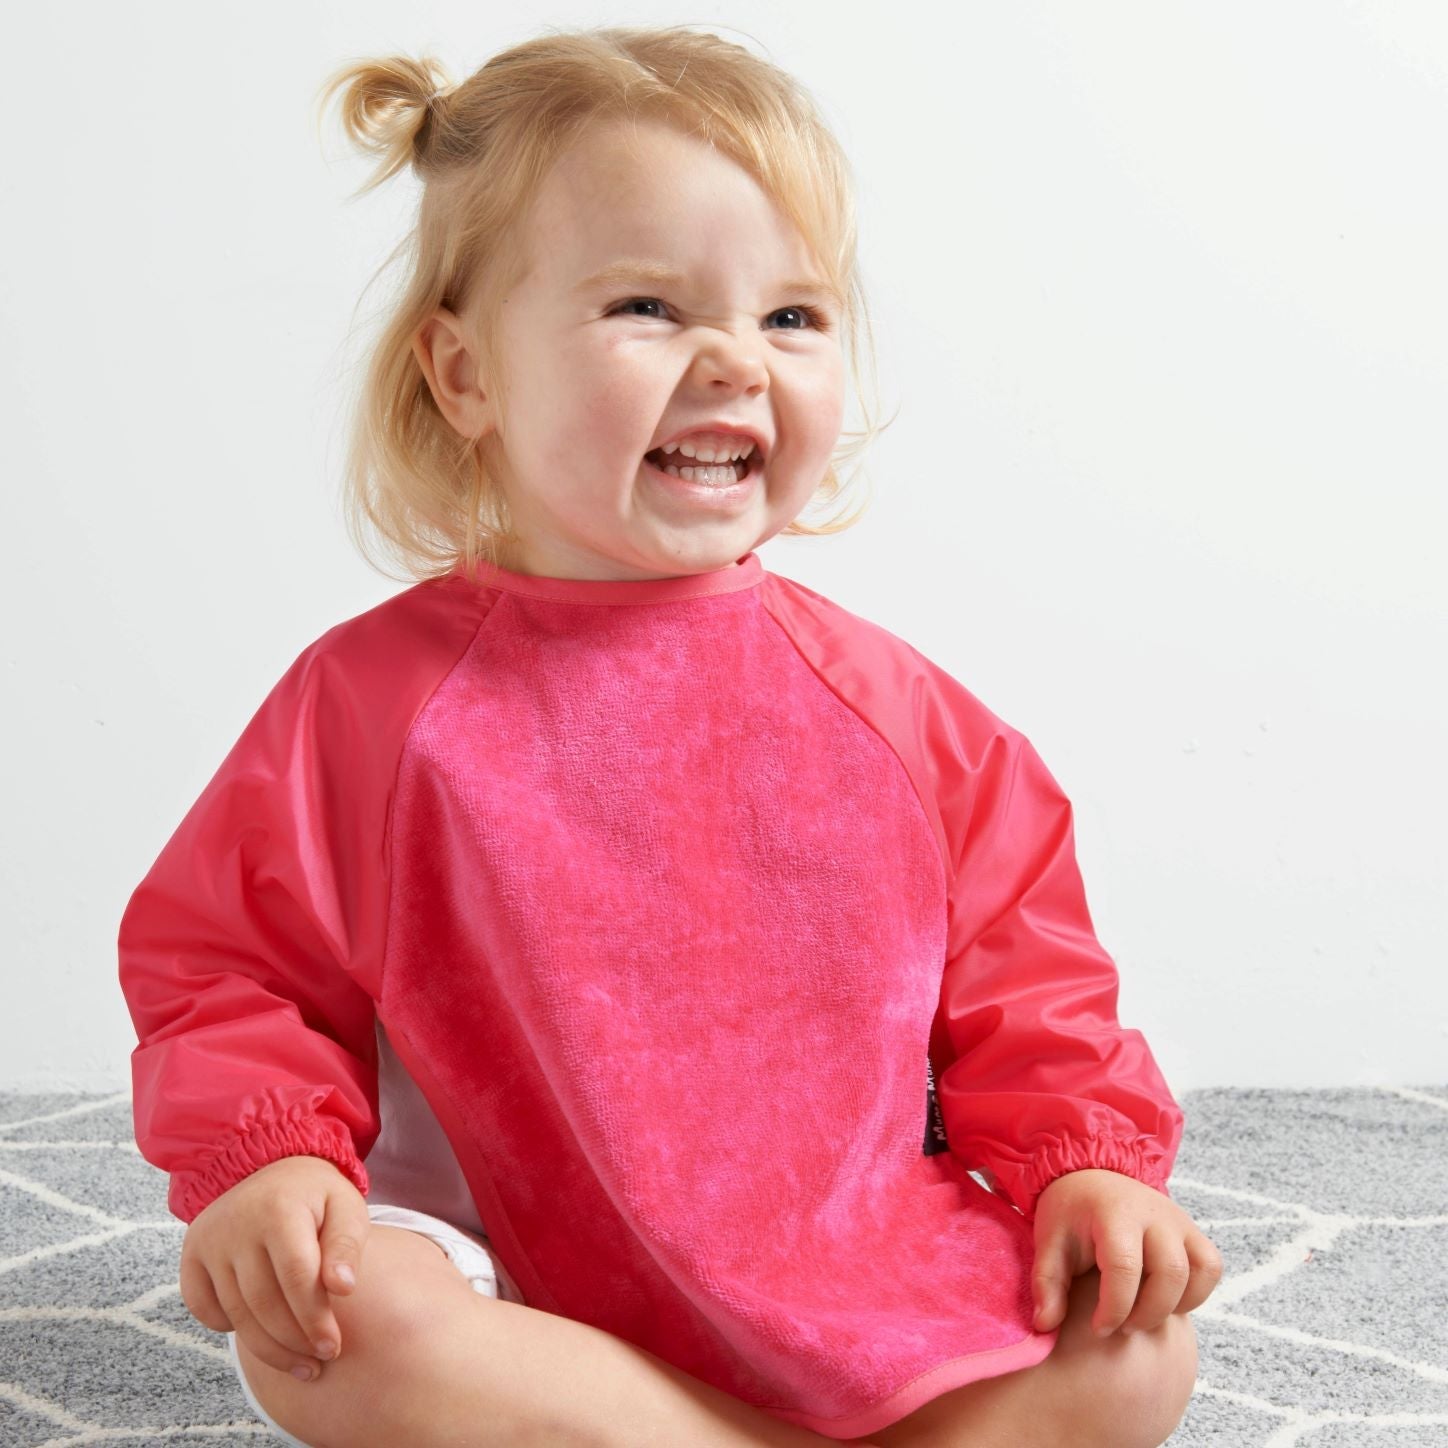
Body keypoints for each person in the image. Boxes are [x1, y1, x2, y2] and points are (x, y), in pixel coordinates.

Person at [116, 24, 1221, 1448]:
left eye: (792, 317)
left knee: (1135, 1354)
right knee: (339, 1332)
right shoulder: (374, 703)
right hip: (501, 1280)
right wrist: (270, 1161)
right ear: (465, 373)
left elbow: (1032, 983)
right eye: (648, 306)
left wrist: (1086, 1166)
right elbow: (232, 970)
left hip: (839, 1255)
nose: (736, 363)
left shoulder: (901, 715)